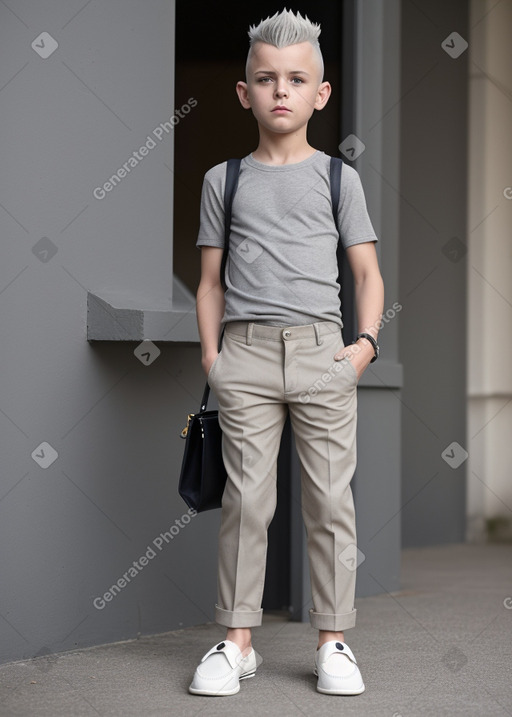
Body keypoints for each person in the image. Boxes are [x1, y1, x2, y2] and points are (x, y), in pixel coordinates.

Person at [189, 8, 384, 697]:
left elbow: (366, 273)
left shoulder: (339, 179)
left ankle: (334, 639)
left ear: (319, 94)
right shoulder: (224, 180)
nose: (280, 90)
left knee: (331, 501)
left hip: (321, 354)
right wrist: (214, 356)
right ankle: (236, 641)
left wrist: (362, 346)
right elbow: (209, 282)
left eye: (296, 79)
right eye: (266, 79)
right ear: (245, 93)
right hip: (243, 355)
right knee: (247, 500)